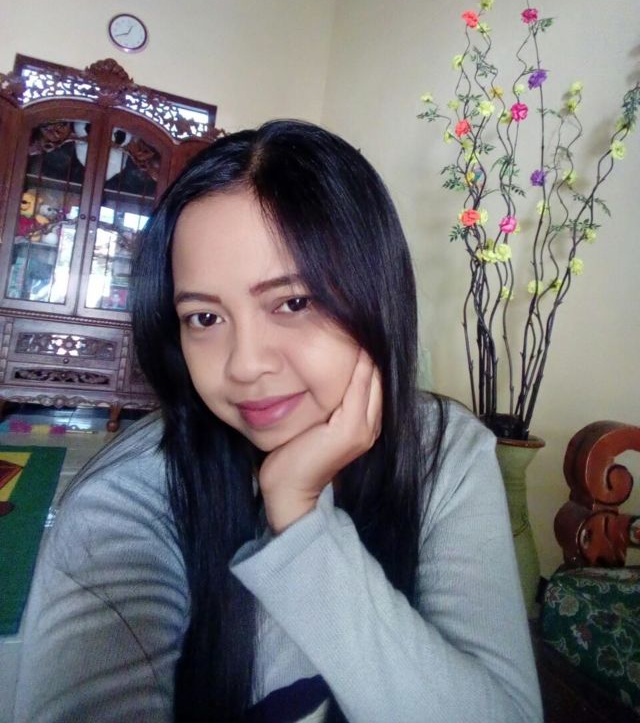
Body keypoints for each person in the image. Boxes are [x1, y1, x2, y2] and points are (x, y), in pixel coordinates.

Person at [13, 120, 543, 723]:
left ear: (377, 294)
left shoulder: (443, 451)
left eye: (292, 302)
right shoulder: (129, 497)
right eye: (204, 318)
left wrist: (299, 518)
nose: (244, 366)